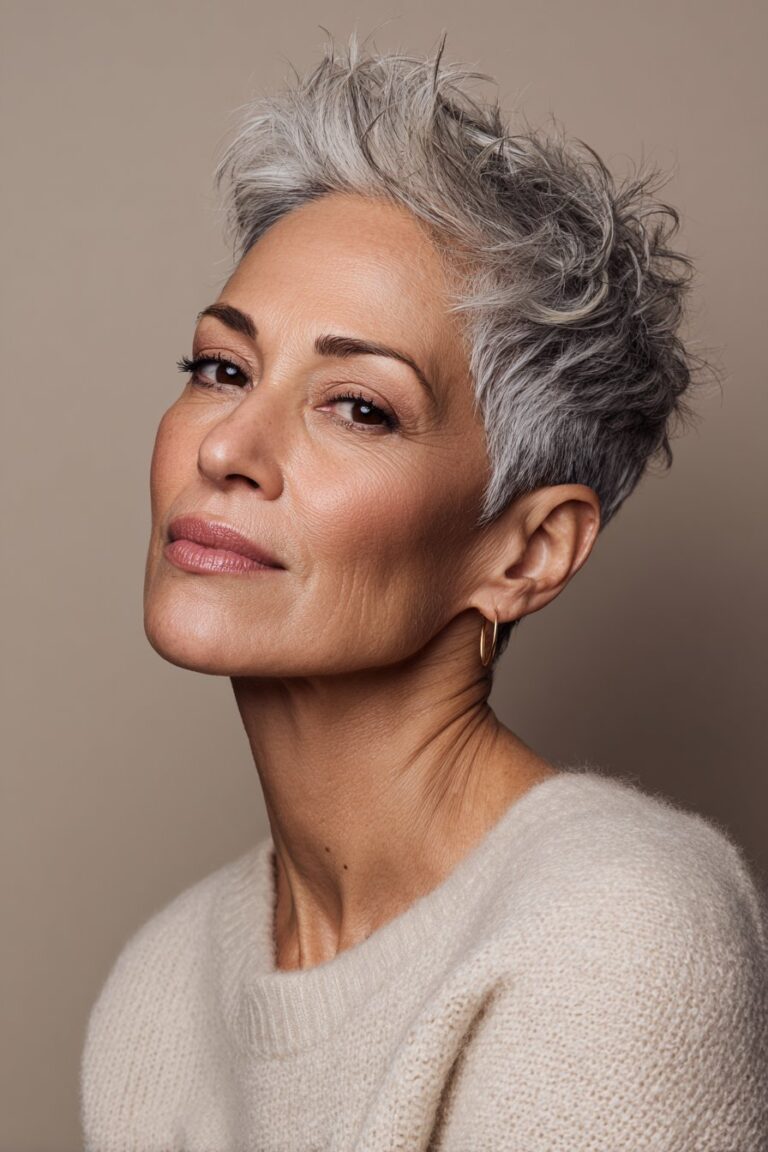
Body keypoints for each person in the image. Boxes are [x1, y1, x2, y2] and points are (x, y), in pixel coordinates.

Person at [80, 30, 768, 1151]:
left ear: (528, 552)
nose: (230, 448)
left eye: (360, 406)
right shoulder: (159, 987)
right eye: (222, 368)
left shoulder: (619, 928)